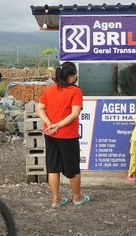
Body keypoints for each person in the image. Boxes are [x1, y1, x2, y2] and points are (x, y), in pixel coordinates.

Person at [37, 61, 90, 208]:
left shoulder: (51, 90)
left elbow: (40, 108)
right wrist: (58, 125)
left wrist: (49, 124)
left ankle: (56, 200)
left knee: (53, 167)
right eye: (75, 74)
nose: (76, 77)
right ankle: (77, 197)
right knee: (73, 168)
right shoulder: (75, 91)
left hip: (50, 134)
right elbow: (74, 114)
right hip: (67, 135)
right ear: (71, 77)